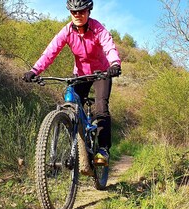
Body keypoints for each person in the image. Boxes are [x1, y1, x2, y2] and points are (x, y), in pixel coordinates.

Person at [23, 0, 121, 168]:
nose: (77, 15)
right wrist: (35, 70)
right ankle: (77, 146)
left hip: (102, 73)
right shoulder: (67, 31)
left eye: (81, 11)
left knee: (101, 107)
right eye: (74, 12)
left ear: (89, 11)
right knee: (70, 103)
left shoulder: (97, 28)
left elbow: (109, 46)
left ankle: (103, 149)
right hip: (80, 75)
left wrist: (114, 64)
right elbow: (50, 52)